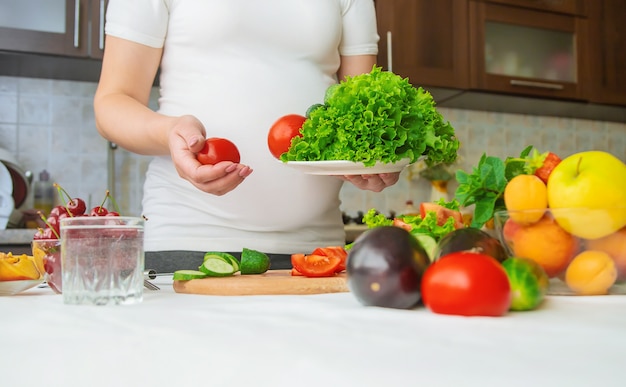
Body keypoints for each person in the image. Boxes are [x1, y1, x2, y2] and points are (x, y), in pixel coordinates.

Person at [94, 0, 400, 272]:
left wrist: (370, 162)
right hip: (188, 239)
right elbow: (112, 102)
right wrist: (170, 132)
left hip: (316, 252)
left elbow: (360, 108)